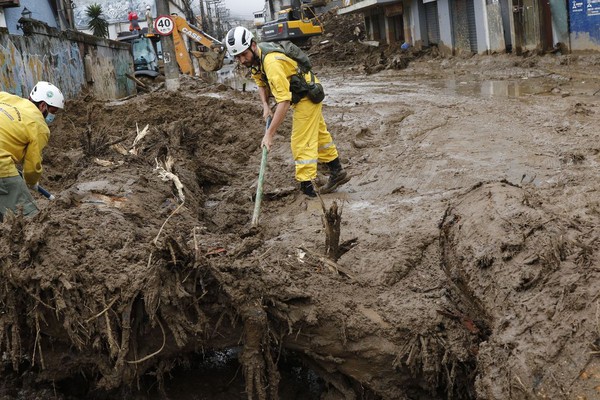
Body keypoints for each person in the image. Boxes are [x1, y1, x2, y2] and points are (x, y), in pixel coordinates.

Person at [225, 26, 350, 197]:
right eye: (237, 57)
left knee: (301, 141)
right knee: (320, 136)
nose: (241, 60)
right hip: (299, 93)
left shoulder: (271, 63)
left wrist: (269, 134)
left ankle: (308, 189)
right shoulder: (255, 61)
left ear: (253, 45)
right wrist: (265, 106)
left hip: (307, 94)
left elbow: (283, 102)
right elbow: (261, 84)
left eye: (243, 54)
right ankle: (337, 171)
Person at [0, 81, 64, 221]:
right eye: (52, 111)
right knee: (28, 218)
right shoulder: (39, 125)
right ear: (42, 106)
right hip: (1, 166)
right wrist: (31, 181)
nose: (52, 116)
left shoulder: (6, 98)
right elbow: (31, 167)